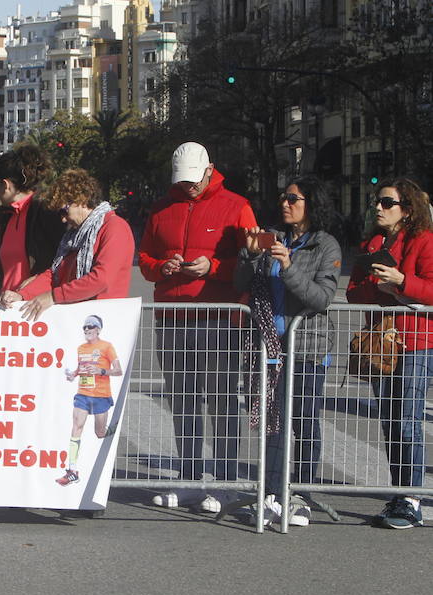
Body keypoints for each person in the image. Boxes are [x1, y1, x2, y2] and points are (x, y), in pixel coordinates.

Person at [138, 141, 258, 513]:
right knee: (184, 403)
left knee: (222, 403)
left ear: (209, 171)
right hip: (173, 318)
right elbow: (144, 259)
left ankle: (224, 482)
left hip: (221, 319)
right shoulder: (161, 208)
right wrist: (162, 267)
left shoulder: (236, 206)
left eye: (193, 180)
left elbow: (252, 260)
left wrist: (215, 268)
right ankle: (189, 478)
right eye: (182, 181)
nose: (188, 186)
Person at [234, 175, 341, 527]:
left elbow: (321, 298)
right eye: (283, 197)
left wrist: (289, 267)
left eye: (293, 198)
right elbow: (240, 283)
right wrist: (250, 256)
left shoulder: (325, 246)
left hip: (307, 348)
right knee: (273, 424)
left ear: (312, 203)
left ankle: (301, 492)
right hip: (270, 346)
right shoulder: (272, 237)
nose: (285, 204)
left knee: (304, 421)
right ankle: (271, 490)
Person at [346, 177, 433, 530]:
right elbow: (352, 292)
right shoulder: (373, 242)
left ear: (406, 210)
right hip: (382, 342)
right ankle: (397, 492)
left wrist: (400, 281)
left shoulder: (424, 241)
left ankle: (411, 498)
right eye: (377, 203)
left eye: (387, 203)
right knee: (389, 420)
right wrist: (374, 283)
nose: (378, 208)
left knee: (407, 419)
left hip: (416, 342)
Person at [0, 168, 134, 321]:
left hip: (104, 321)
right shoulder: (74, 235)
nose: (63, 219)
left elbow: (101, 279)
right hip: (77, 320)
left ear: (81, 200)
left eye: (64, 211)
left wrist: (53, 296)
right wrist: (22, 295)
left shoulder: (114, 227)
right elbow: (55, 274)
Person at [0, 144, 65, 304]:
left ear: (5, 185)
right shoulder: (7, 216)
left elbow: (64, 260)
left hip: (36, 309)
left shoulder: (45, 211)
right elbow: (5, 270)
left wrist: (32, 287)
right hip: (7, 311)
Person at [55, 315, 123, 486]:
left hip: (100, 395)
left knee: (99, 433)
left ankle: (112, 429)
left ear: (98, 329)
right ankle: (72, 471)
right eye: (85, 327)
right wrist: (74, 374)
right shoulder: (81, 348)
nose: (87, 330)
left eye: (91, 326)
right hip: (83, 394)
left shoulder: (107, 347)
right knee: (76, 427)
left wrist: (100, 371)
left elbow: (118, 370)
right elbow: (81, 367)